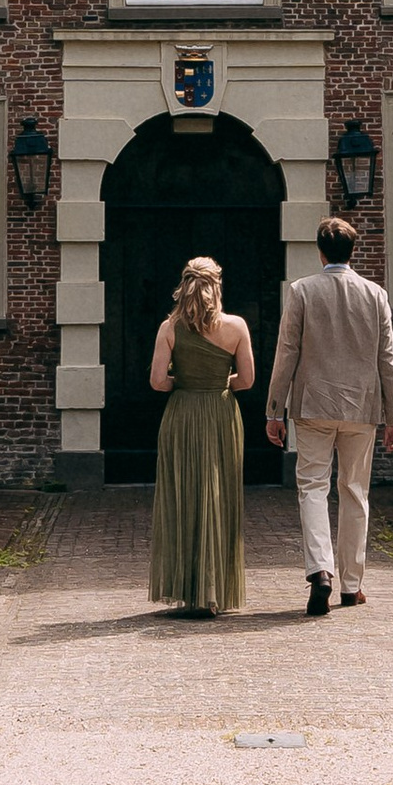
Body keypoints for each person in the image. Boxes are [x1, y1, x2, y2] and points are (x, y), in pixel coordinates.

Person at [263, 216, 393, 615]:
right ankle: (352, 585)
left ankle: (320, 571)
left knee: (312, 487)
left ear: (320, 251)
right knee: (355, 491)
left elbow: (286, 352)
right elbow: (387, 359)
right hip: (362, 407)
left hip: (313, 407)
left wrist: (275, 410)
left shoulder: (302, 291)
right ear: (352, 250)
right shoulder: (375, 294)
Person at [147, 253, 252, 616]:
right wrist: (217, 381)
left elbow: (158, 382)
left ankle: (186, 588)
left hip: (182, 414)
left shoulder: (169, 328)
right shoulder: (236, 327)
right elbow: (248, 380)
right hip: (221, 414)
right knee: (219, 497)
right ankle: (215, 590)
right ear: (216, 287)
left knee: (183, 496)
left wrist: (186, 381)